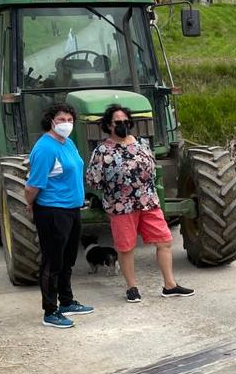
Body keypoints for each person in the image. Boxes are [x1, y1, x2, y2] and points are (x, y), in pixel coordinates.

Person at [85, 104, 194, 303]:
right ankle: (132, 288)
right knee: (126, 247)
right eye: (118, 122)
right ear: (109, 125)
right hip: (121, 206)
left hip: (148, 202)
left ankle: (170, 285)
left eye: (126, 122)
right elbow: (93, 180)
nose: (123, 126)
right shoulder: (101, 150)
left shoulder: (142, 144)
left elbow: (153, 168)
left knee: (164, 241)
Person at [25, 104, 95, 329]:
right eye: (61, 118)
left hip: (72, 208)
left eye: (69, 119)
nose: (66, 122)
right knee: (52, 261)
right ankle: (50, 310)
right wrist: (30, 204)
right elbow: (33, 185)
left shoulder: (69, 143)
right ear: (51, 121)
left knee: (68, 259)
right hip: (53, 210)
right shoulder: (45, 148)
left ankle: (66, 301)